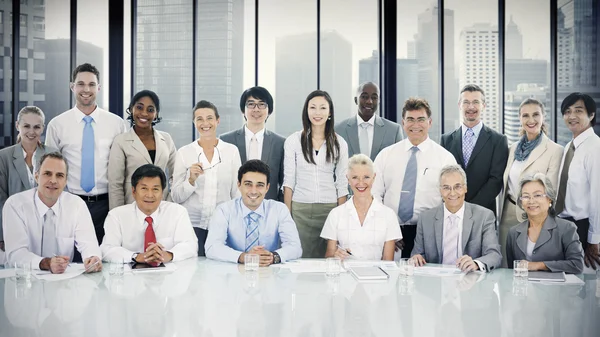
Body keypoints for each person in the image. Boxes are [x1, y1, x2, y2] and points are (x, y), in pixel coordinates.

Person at [45, 63, 128, 244]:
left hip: (107, 205)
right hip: (70, 203)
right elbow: (49, 168)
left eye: (91, 84)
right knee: (72, 260)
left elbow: (124, 166)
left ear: (98, 88)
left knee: (106, 258)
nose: (86, 89)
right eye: (81, 84)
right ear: (72, 86)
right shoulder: (57, 125)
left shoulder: (117, 124)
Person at [372, 97, 457, 258]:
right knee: (392, 279)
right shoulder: (386, 155)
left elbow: (451, 199)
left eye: (421, 120)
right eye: (410, 119)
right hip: (391, 233)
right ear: (403, 123)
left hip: (429, 233)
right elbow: (374, 194)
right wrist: (387, 229)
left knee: (426, 280)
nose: (415, 125)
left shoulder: (445, 158)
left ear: (430, 122)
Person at [2, 152, 102, 273]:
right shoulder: (15, 205)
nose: (53, 180)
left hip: (62, 281)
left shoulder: (77, 205)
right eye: (47, 174)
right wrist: (47, 263)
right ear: (36, 176)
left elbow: (88, 243)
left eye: (59, 175)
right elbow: (16, 254)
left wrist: (92, 258)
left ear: (65, 181)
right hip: (23, 279)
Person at [283, 90, 349, 258]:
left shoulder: (339, 143)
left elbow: (342, 183)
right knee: (299, 260)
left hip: (329, 209)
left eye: (322, 108)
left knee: (328, 260)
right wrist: (287, 216)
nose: (317, 112)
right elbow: (288, 181)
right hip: (300, 209)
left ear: (330, 112)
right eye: (312, 107)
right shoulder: (293, 141)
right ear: (306, 111)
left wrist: (340, 217)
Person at [171, 100, 241, 256]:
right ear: (194, 122)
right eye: (199, 119)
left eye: (209, 118)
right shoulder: (184, 152)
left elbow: (237, 192)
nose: (205, 123)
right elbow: (176, 196)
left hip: (223, 225)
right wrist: (190, 180)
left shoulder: (231, 151)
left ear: (218, 120)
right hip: (192, 226)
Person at [498, 98, 563, 267]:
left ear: (543, 117)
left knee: (529, 266)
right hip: (507, 213)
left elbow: (551, 190)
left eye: (535, 114)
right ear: (520, 119)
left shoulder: (555, 150)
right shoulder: (513, 148)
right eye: (525, 115)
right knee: (506, 264)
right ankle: (506, 295)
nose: (531, 120)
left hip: (535, 214)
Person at [205, 160, 302, 266]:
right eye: (248, 184)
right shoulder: (224, 210)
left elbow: (295, 247)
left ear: (267, 188)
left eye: (260, 185)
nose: (253, 191)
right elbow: (212, 247)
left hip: (269, 272)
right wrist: (244, 257)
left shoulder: (279, 209)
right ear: (239, 185)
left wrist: (272, 257)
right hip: (233, 272)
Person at [411, 164, 502, 272]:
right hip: (436, 281)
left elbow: (494, 255)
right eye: (446, 188)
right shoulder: (425, 218)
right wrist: (416, 258)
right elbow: (417, 254)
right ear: (440, 190)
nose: (452, 193)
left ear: (465, 188)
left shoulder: (484, 216)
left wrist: (476, 263)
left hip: (470, 280)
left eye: (457, 186)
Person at [101, 164, 198, 264]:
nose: (150, 195)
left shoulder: (178, 212)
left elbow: (190, 245)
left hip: (169, 275)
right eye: (144, 189)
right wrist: (137, 257)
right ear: (134, 191)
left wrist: (168, 255)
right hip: (130, 277)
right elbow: (107, 249)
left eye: (155, 189)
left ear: (162, 192)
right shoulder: (117, 216)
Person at [440, 84, 509, 215]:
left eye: (476, 102)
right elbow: (443, 178)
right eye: (466, 102)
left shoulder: (498, 140)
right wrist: (456, 205)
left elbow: (496, 180)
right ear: (459, 105)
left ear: (484, 105)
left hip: (483, 213)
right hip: (451, 211)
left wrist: (470, 208)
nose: (471, 107)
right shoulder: (446, 140)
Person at [0, 106, 56, 265]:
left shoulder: (53, 154)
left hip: (47, 227)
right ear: (17, 125)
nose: (31, 131)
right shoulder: (4, 157)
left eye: (37, 127)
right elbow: (1, 199)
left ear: (43, 128)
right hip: (15, 227)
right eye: (26, 126)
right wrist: (2, 235)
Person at [320, 154, 401, 261]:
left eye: (366, 177)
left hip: (376, 275)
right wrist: (335, 256)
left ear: (374, 178)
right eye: (355, 177)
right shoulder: (335, 214)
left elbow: (388, 261)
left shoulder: (389, 215)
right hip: (344, 275)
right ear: (348, 179)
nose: (361, 183)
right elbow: (329, 256)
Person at [108, 90, 176, 210]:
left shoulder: (166, 139)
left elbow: (177, 175)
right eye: (139, 107)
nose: (144, 113)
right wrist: (117, 215)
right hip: (131, 206)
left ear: (156, 113)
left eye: (150, 110)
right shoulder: (121, 141)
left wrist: (169, 201)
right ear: (131, 109)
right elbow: (115, 184)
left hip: (162, 205)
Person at [555, 92, 600, 270]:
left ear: (591, 115)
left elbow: (598, 198)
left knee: (584, 285)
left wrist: (594, 240)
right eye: (567, 111)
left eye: (578, 111)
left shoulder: (595, 148)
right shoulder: (570, 146)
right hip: (566, 226)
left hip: (584, 227)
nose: (571, 116)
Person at [506, 173, 584, 274]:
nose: (531, 201)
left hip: (556, 288)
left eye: (537, 195)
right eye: (526, 196)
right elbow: (511, 271)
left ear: (549, 199)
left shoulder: (567, 228)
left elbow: (577, 265)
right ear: (521, 202)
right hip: (524, 288)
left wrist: (539, 265)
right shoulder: (513, 232)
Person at [220, 86, 285, 201]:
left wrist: (276, 206)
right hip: (234, 207)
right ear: (242, 110)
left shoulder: (280, 143)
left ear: (269, 111)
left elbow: (283, 182)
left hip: (268, 208)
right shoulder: (226, 140)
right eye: (251, 104)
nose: (256, 109)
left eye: (262, 104)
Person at [335, 82, 403, 161]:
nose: (369, 101)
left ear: (379, 101)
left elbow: (400, 162)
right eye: (364, 97)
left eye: (374, 98)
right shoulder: (338, 130)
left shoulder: (394, 130)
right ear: (356, 100)